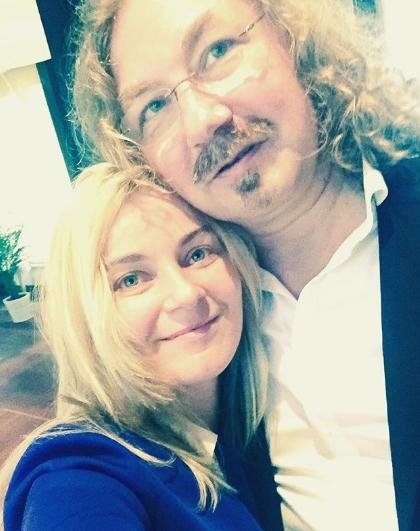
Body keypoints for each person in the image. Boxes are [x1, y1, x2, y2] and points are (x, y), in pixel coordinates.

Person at [69, 1, 420, 530]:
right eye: (155, 106)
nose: (202, 121)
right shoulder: (198, 324)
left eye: (217, 51)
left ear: (296, 38)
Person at [0, 163, 281, 530]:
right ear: (86, 317)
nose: (186, 294)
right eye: (131, 279)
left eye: (197, 254)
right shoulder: (79, 477)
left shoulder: (252, 418)